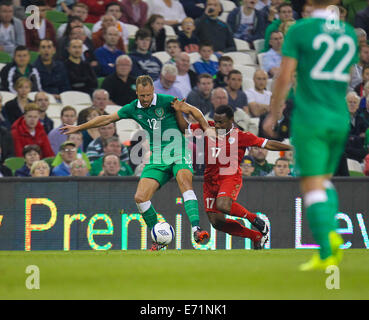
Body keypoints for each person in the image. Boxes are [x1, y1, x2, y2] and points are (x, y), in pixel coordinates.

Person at [60, 75, 210, 250]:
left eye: (148, 95)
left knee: (184, 182)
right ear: (137, 93)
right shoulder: (132, 108)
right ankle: (159, 238)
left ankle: (196, 229)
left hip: (178, 150)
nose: (145, 99)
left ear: (152, 91)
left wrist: (206, 128)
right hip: (157, 157)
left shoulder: (167, 101)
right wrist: (79, 127)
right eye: (141, 96)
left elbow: (194, 111)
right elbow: (106, 118)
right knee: (140, 197)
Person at [262, 0, 359, 271]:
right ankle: (331, 236)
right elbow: (348, 75)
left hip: (311, 117)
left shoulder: (301, 30)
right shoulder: (349, 33)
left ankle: (328, 249)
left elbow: (284, 76)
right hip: (339, 117)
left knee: (311, 184)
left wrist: (274, 112)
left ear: (307, 3)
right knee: (324, 181)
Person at [173, 101, 291, 249]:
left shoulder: (241, 136)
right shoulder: (207, 128)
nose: (217, 125)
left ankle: (255, 220)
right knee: (217, 222)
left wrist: (292, 147)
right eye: (215, 121)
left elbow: (268, 144)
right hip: (210, 180)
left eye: (221, 122)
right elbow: (185, 128)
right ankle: (255, 236)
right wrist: (178, 111)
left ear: (231, 121)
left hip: (230, 177)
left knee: (223, 205)